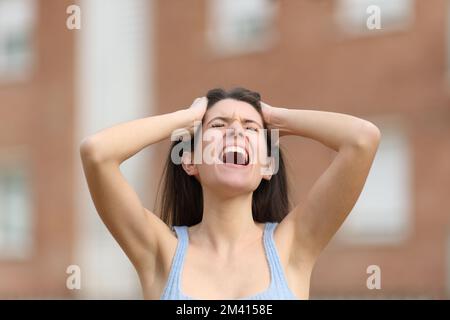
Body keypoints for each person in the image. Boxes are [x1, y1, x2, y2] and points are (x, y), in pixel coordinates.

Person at [80, 87, 381, 300]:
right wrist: (186, 119)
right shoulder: (160, 251)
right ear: (189, 160)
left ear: (267, 165)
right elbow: (97, 153)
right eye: (219, 125)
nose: (235, 132)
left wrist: (276, 118)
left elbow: (362, 139)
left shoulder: (292, 245)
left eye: (250, 129)